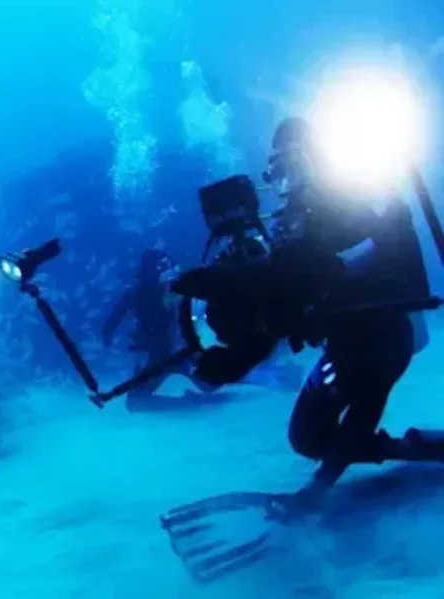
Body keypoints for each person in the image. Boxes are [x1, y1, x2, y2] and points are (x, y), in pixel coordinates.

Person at [161, 117, 437, 583]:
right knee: (305, 438)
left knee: (364, 393)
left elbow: (332, 268)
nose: (288, 179)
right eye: (280, 169)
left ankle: (394, 454)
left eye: (296, 163)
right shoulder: (283, 228)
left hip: (382, 331)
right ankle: (403, 448)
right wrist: (231, 356)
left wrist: (319, 487)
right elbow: (279, 311)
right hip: (341, 338)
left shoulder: (353, 210)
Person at [101, 249, 204, 410]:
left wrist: (107, 332)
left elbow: (116, 315)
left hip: (166, 347)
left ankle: (194, 400)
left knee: (138, 399)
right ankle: (190, 402)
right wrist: (107, 331)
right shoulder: (139, 291)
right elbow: (116, 314)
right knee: (138, 399)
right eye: (163, 268)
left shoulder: (164, 289)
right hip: (156, 348)